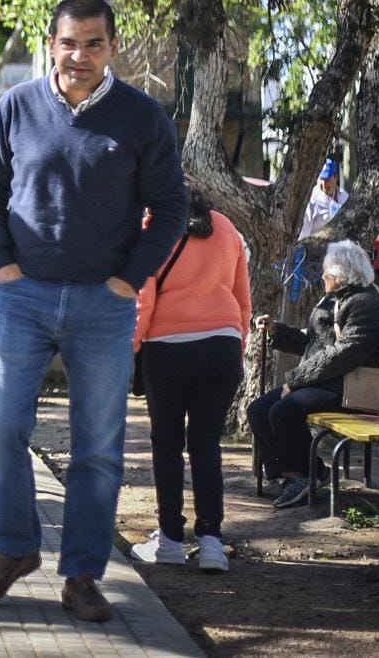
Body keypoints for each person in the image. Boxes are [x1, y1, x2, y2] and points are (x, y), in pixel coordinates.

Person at [0, 0, 187, 623]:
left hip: (103, 304)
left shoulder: (143, 116)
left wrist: (128, 281)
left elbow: (171, 208)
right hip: (21, 296)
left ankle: (83, 574)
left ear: (113, 47)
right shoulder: (17, 106)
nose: (80, 55)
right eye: (70, 43)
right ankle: (14, 547)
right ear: (51, 43)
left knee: (98, 448)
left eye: (94, 43)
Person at [128, 180, 250, 573]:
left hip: (169, 346)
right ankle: (212, 541)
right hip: (223, 346)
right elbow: (242, 295)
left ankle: (171, 539)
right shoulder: (226, 227)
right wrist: (237, 343)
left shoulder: (154, 228)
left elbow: (144, 298)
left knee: (167, 444)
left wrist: (133, 346)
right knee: (206, 444)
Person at [248, 239, 379, 511]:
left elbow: (343, 355)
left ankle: (304, 477)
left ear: (341, 276)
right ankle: (300, 474)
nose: (324, 277)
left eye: (328, 273)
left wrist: (296, 379)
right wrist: (278, 331)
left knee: (284, 411)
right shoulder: (339, 298)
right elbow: (314, 342)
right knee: (258, 410)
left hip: (347, 389)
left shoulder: (366, 305)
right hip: (326, 380)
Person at [299, 159, 347, 239]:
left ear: (335, 177)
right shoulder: (312, 199)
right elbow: (305, 229)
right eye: (322, 179)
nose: (324, 184)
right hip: (316, 246)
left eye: (327, 179)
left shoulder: (343, 197)